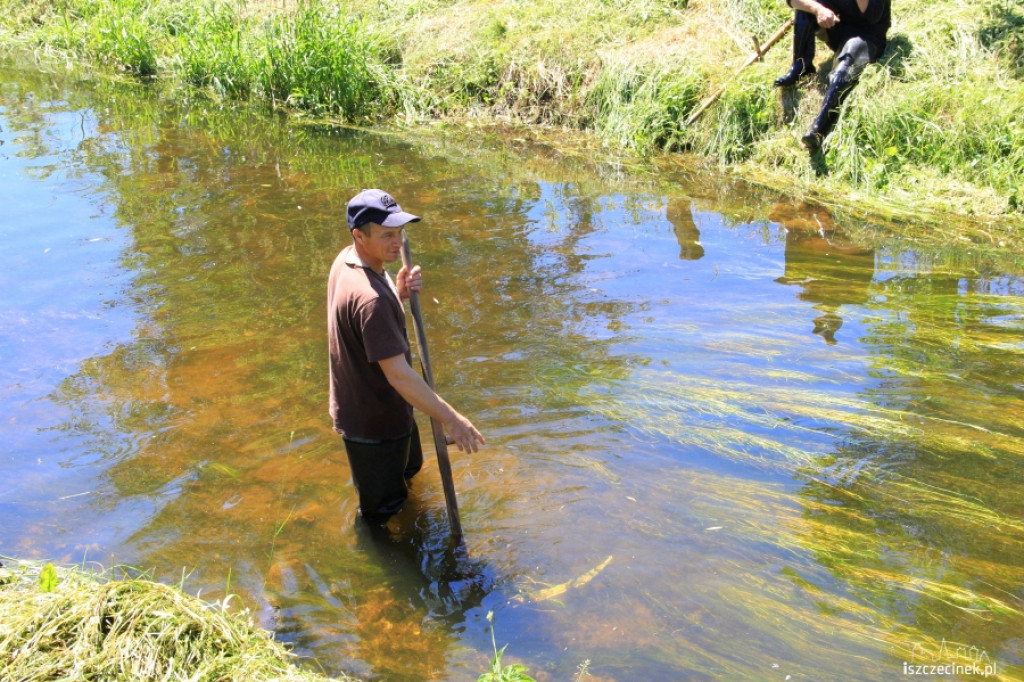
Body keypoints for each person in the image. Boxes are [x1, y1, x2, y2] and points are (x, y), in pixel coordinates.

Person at [327, 188, 485, 522]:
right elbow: (398, 374)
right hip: (374, 422)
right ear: (359, 235)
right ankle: (380, 567)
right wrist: (453, 420)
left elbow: (369, 326)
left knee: (410, 471)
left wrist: (395, 292)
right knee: (381, 513)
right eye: (387, 235)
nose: (397, 242)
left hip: (386, 407)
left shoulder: (348, 259)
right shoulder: (372, 301)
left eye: (399, 232)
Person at [774, 0, 891, 152]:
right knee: (806, 8)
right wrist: (819, 10)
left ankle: (818, 129)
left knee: (843, 68)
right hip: (838, 29)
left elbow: (873, 15)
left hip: (868, 36)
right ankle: (801, 66)